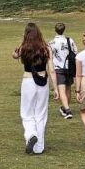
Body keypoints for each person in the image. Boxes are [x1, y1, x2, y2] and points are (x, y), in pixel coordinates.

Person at [12, 23, 58, 155]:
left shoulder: (24, 48)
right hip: (43, 81)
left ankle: (31, 134)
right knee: (41, 114)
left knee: (27, 113)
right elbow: (52, 70)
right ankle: (39, 147)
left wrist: (16, 52)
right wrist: (55, 88)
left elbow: (14, 55)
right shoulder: (46, 48)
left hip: (28, 81)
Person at [49, 22, 77, 119]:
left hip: (58, 68)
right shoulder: (70, 40)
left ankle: (68, 110)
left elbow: (50, 57)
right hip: (69, 67)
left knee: (61, 90)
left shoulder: (51, 43)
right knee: (68, 89)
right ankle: (65, 108)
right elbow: (75, 52)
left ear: (55, 30)